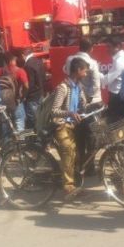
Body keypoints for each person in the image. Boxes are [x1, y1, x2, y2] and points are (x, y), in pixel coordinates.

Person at [51, 57, 90, 199]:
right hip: (61, 126)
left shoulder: (78, 86)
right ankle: (68, 186)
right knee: (68, 150)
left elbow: (83, 104)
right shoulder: (63, 88)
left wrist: (87, 104)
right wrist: (70, 113)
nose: (86, 73)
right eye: (84, 70)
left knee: (77, 155)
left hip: (73, 126)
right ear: (78, 70)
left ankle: (75, 185)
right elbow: (54, 110)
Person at [0, 54, 29, 131]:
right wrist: (23, 96)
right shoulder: (20, 71)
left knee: (5, 121)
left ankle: (6, 141)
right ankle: (21, 140)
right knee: (19, 119)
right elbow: (26, 86)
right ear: (12, 61)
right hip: (15, 99)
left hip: (2, 99)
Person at [63, 37, 102, 105]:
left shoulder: (69, 59)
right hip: (90, 100)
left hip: (72, 98)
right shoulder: (93, 63)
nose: (85, 74)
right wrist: (86, 98)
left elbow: (65, 70)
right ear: (91, 49)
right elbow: (96, 85)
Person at [102, 37, 124, 118]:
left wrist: (97, 76)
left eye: (109, 47)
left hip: (117, 97)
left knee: (115, 124)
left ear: (117, 46)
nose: (107, 49)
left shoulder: (119, 61)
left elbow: (107, 80)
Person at [22, 50, 47, 129]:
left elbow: (30, 84)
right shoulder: (39, 61)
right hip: (41, 93)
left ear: (23, 55)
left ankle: (36, 138)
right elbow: (43, 78)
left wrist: (25, 96)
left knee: (33, 119)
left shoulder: (28, 65)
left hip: (32, 97)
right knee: (41, 117)